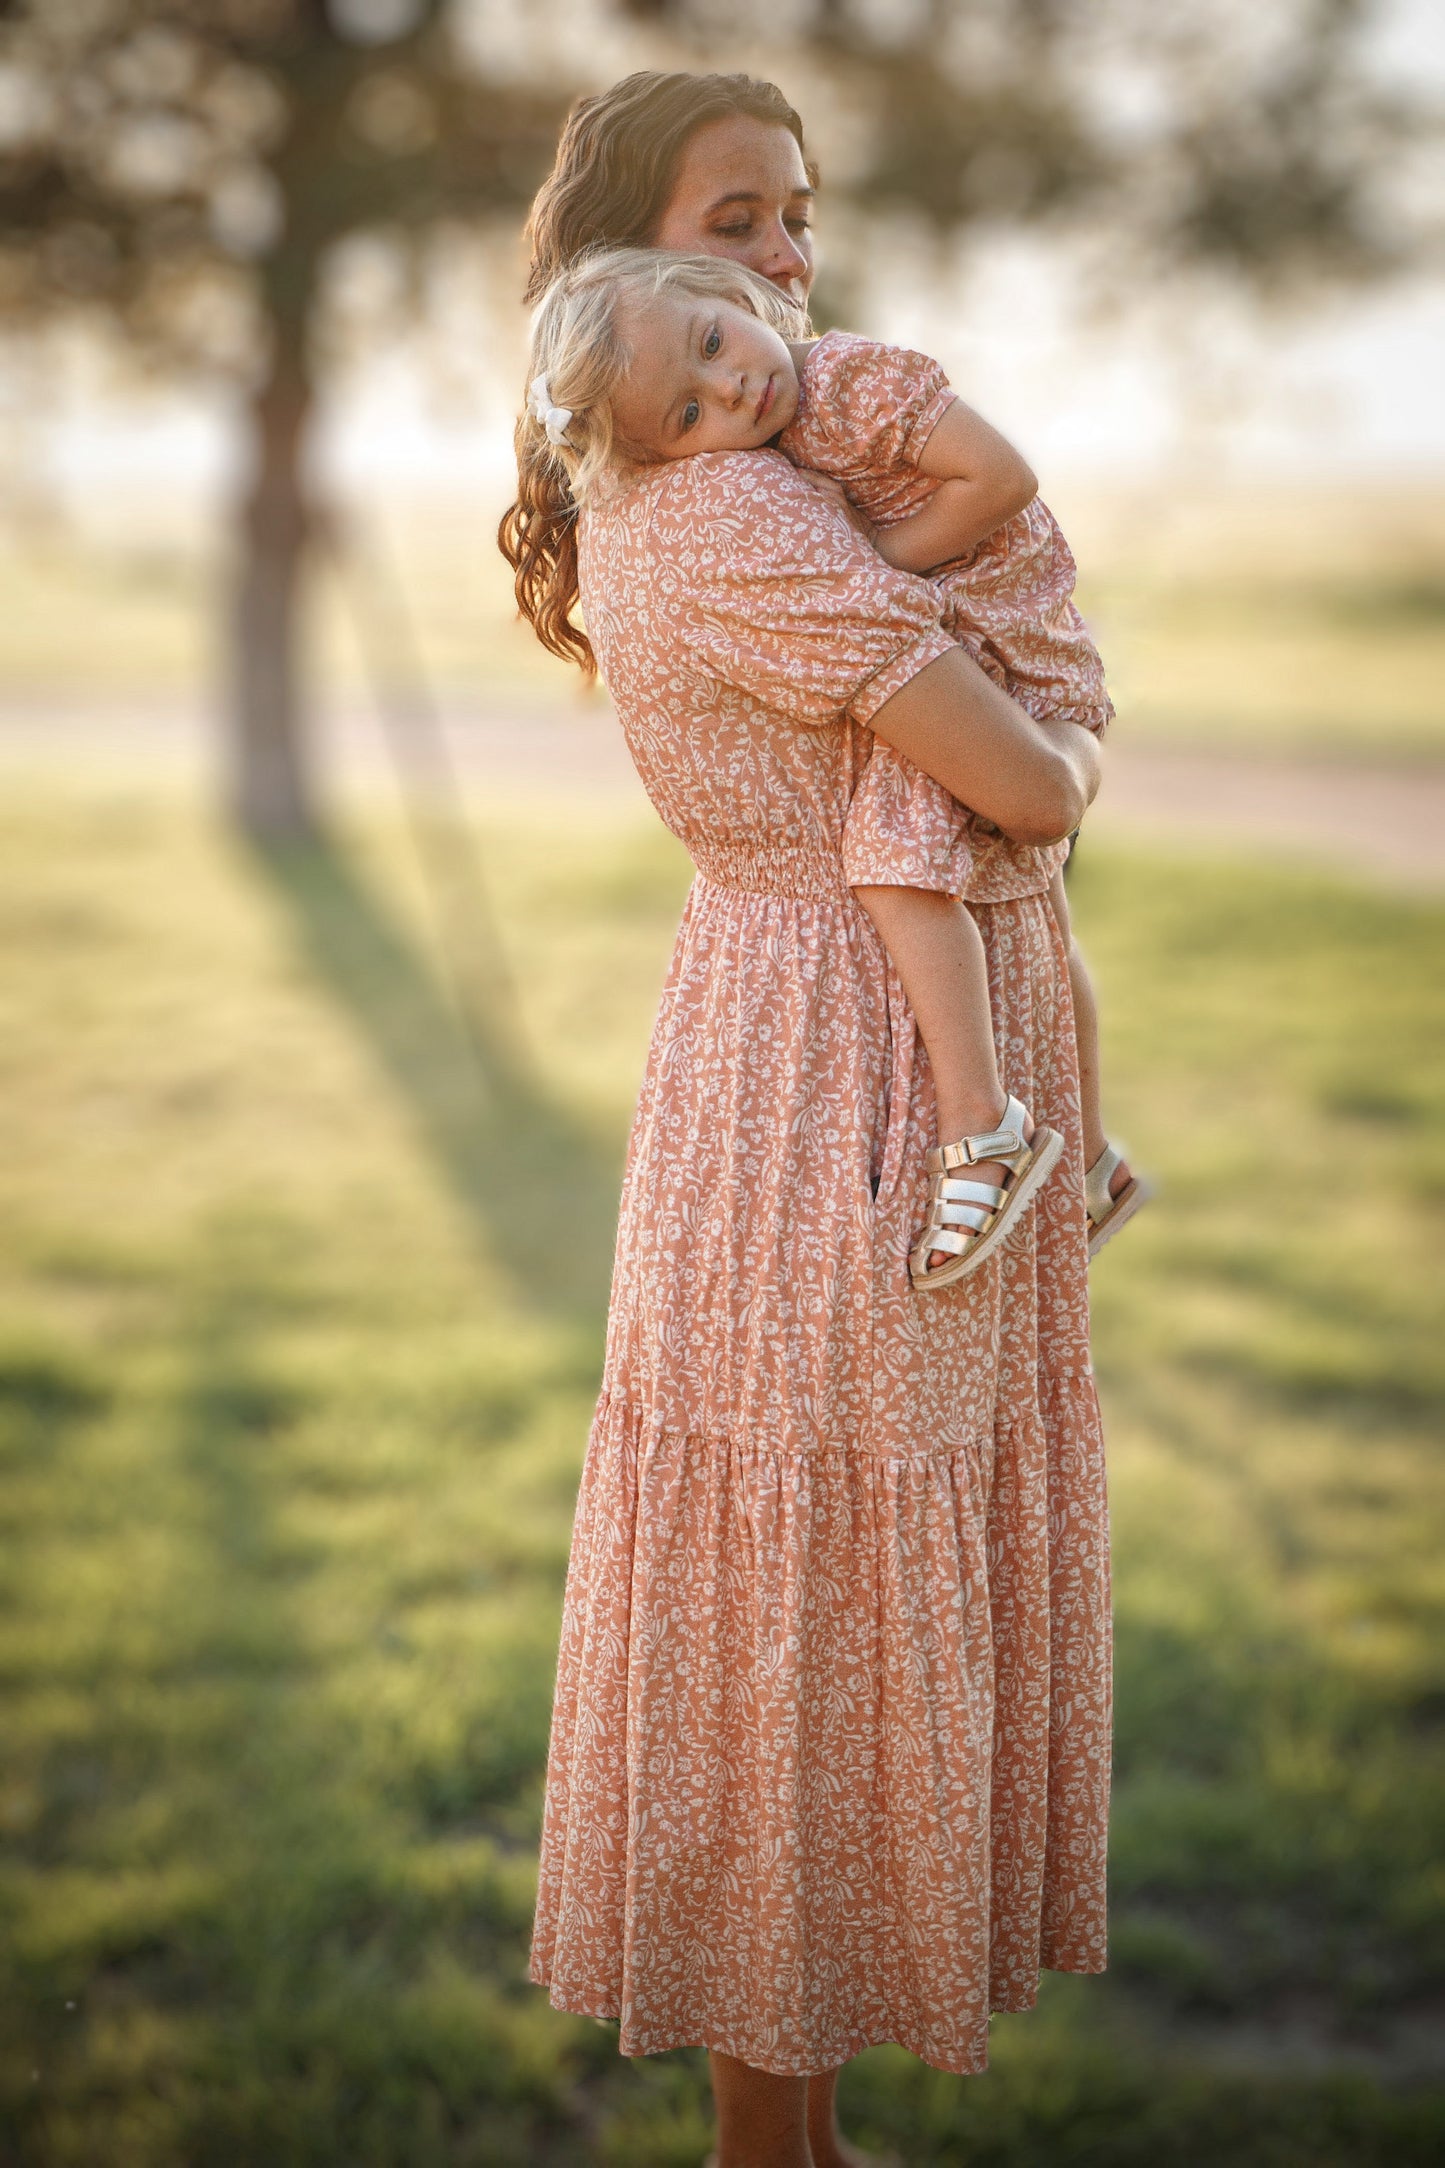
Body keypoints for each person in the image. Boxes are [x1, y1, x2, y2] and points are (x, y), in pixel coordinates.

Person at [502, 73, 1112, 2168]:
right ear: (625, 256)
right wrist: (1058, 743)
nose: (782, 262)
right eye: (734, 220)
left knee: (809, 1593)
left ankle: (792, 2137)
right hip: (838, 1076)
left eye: (796, 218)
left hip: (792, 1040)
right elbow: (1021, 787)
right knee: (818, 1597)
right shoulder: (743, 510)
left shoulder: (695, 470)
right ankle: (776, 2149)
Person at [517, 245, 1152, 1282]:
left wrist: (869, 573)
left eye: (713, 344)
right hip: (968, 646)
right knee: (1042, 911)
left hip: (1000, 625)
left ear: (726, 299)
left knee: (901, 858)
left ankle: (987, 1126)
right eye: (688, 417)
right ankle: (1088, 1158)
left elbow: (1003, 478)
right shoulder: (733, 484)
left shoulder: (850, 382)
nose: (729, 388)